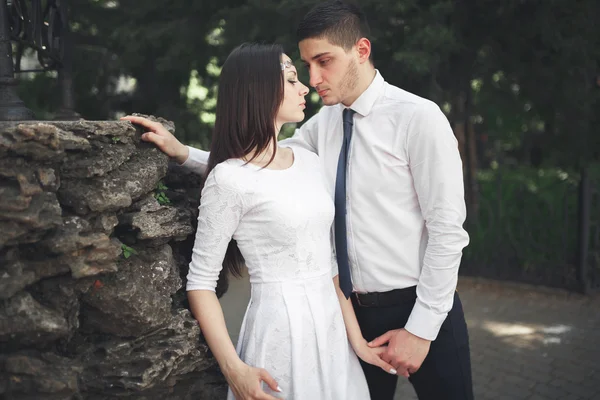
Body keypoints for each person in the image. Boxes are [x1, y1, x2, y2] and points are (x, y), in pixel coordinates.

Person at [126, 1, 474, 398]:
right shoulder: (321, 127)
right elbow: (258, 170)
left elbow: (447, 232)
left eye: (323, 61)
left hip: (420, 306)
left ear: (361, 51)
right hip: (345, 317)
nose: (314, 78)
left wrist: (421, 328)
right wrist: (184, 153)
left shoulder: (418, 118)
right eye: (306, 66)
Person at [122, 43, 395, 400]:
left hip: (333, 335)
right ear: (259, 89)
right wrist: (234, 369)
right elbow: (201, 283)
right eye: (293, 79)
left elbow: (328, 265)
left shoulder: (308, 161)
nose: (305, 88)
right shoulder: (229, 180)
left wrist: (356, 342)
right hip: (281, 332)